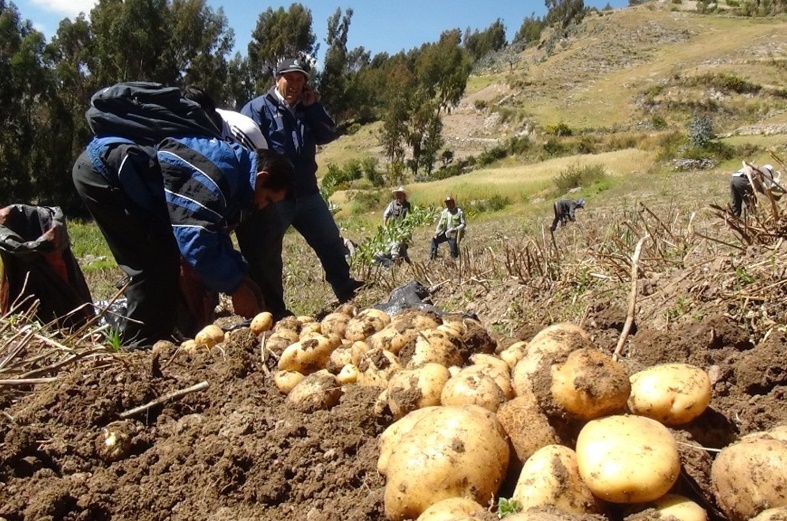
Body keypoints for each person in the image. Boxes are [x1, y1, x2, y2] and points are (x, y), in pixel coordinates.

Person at [72, 130, 293, 349]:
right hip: (103, 173)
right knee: (150, 263)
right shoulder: (216, 174)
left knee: (164, 256)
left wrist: (241, 274)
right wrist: (235, 288)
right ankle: (140, 344)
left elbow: (215, 233)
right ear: (262, 178)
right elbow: (197, 242)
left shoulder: (234, 175)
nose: (263, 206)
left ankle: (161, 332)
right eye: (267, 199)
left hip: (132, 186)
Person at [237, 57, 363, 318]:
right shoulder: (256, 109)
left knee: (330, 240)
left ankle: (346, 289)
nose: (294, 84)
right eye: (289, 78)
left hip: (307, 193)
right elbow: (246, 152)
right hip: (275, 196)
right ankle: (273, 310)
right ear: (277, 79)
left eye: (300, 79)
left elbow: (329, 134)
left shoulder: (307, 109)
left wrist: (314, 107)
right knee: (267, 254)